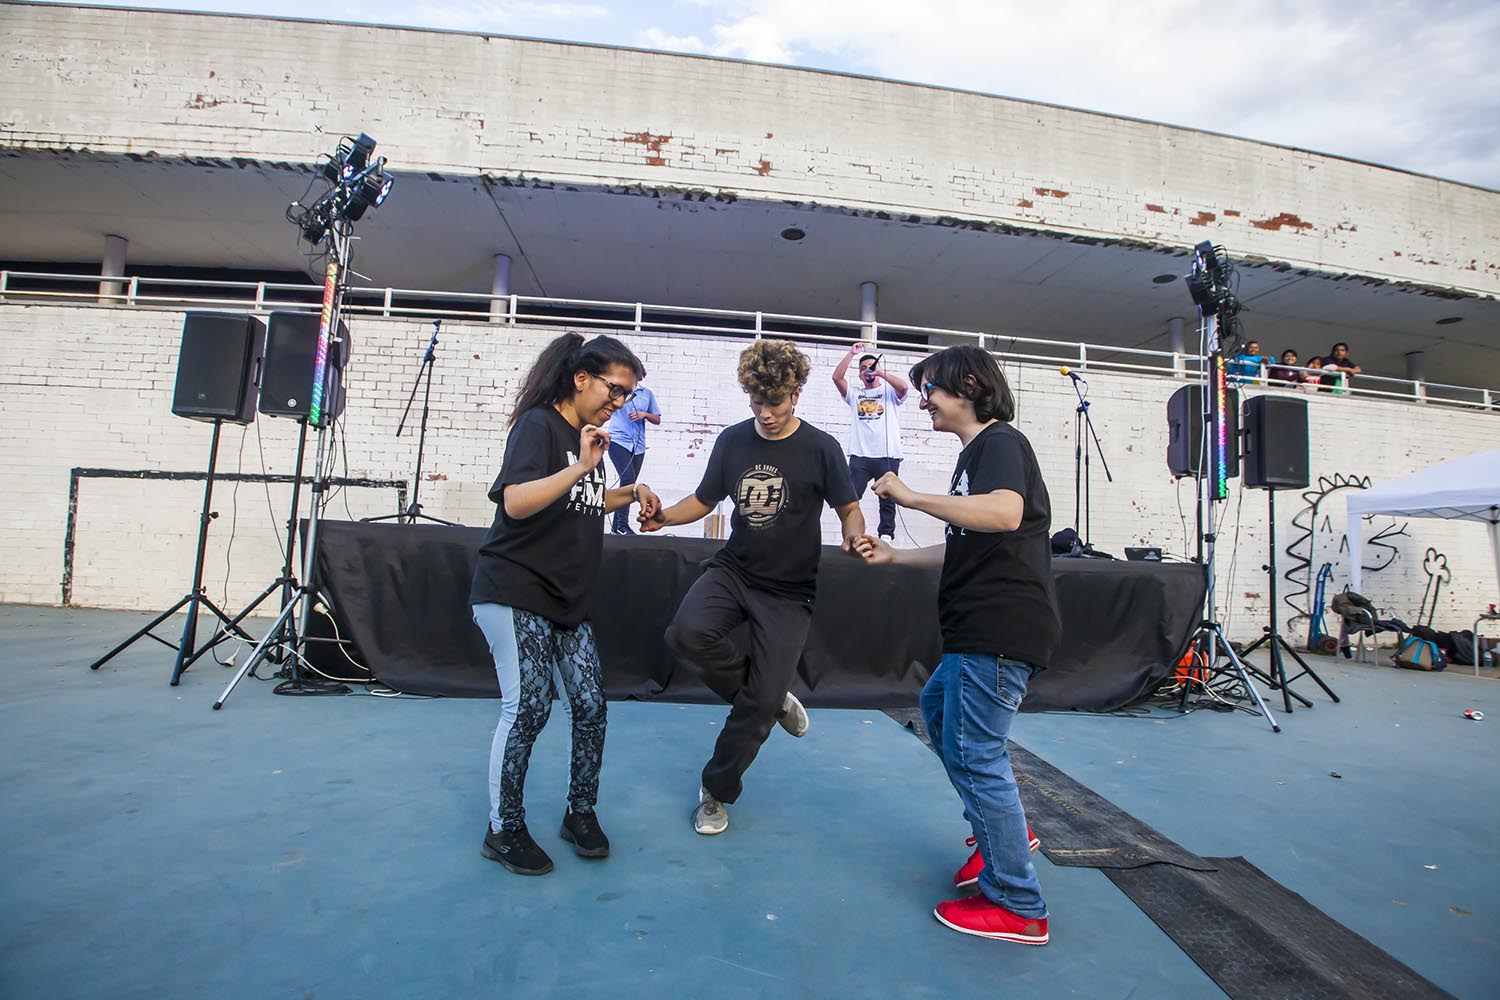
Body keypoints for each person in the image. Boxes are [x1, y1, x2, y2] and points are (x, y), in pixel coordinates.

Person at [854, 344, 1059, 946]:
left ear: (969, 384)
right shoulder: (977, 456)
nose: (924, 401)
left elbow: (1001, 514)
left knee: (977, 754)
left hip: (997, 630)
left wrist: (912, 497)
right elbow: (969, 539)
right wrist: (897, 553)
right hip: (976, 631)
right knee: (942, 714)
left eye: (933, 390)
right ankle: (1002, 839)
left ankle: (1019, 904)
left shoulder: (1000, 443)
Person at [641, 339, 865, 836]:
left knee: (756, 711)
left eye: (775, 403)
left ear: (798, 393)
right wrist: (664, 519)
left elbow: (849, 509)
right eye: (756, 402)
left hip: (789, 591)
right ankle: (770, 698)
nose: (765, 413)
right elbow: (703, 500)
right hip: (736, 571)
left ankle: (716, 791)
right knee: (686, 634)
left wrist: (855, 536)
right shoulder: (733, 440)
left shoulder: (822, 448)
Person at [471, 332, 660, 877]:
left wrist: (631, 491)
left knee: (591, 707)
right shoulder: (539, 426)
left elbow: (582, 501)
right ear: (581, 378)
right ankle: (502, 830)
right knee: (528, 706)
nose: (618, 402)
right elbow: (518, 501)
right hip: (514, 589)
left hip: (565, 599)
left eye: (626, 396)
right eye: (614, 389)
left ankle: (580, 813)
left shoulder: (587, 438)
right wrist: (581, 465)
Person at [832, 342, 909, 541]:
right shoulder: (855, 394)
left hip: (887, 455)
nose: (867, 371)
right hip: (860, 456)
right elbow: (837, 378)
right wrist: (851, 353)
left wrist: (880, 373)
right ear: (859, 374)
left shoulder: (889, 392)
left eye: (870, 367)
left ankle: (886, 535)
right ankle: (852, 533)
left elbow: (903, 387)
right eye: (863, 368)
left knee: (887, 497)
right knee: (851, 496)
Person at [604, 365, 662, 534]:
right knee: (628, 480)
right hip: (619, 441)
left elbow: (657, 418)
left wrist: (644, 415)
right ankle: (622, 525)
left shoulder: (646, 394)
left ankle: (616, 527)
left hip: (638, 446)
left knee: (630, 485)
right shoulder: (617, 391)